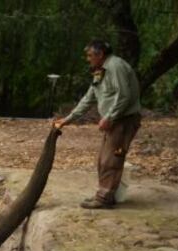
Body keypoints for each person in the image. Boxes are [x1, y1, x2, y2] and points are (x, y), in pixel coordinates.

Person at [53, 40, 141, 209]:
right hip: (115, 123)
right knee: (103, 159)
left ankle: (104, 199)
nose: (88, 59)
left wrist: (109, 117)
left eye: (90, 55)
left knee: (113, 158)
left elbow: (124, 96)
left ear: (100, 54)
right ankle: (105, 195)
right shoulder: (100, 71)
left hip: (124, 122)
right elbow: (89, 97)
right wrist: (68, 119)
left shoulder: (116, 66)